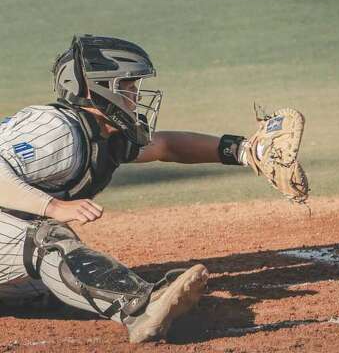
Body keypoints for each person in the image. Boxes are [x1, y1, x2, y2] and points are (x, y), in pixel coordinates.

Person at [0, 35, 308, 343]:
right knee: (47, 240)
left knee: (62, 284)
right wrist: (53, 207)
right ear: (98, 89)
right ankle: (142, 309)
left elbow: (166, 146)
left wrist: (242, 151)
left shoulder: (103, 137)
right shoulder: (59, 131)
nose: (136, 95)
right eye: (128, 86)